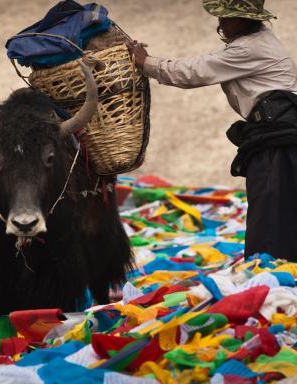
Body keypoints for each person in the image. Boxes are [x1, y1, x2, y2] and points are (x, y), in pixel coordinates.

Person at [127, 0, 297, 262]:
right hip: (274, 135)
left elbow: (195, 72)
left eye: (227, 19)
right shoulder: (257, 40)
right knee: (276, 210)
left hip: (276, 141)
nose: (221, 24)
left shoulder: (250, 49)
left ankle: (270, 275)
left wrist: (147, 63)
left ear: (245, 21)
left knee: (270, 214)